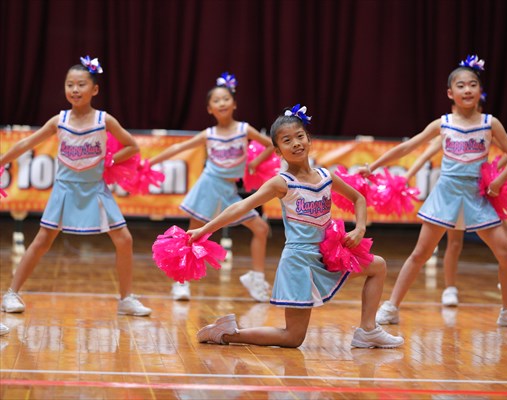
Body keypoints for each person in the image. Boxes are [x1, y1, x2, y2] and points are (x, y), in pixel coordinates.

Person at [190, 105, 404, 348]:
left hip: (328, 255)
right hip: (299, 262)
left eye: (300, 136)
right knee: (293, 338)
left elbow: (359, 199)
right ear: (278, 151)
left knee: (377, 266)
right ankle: (227, 333)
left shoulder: (326, 176)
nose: (295, 143)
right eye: (287, 140)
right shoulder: (281, 183)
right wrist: (204, 230)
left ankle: (368, 330)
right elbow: (240, 207)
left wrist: (360, 229)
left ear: (309, 140)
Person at [358, 55, 507, 328]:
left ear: (479, 90)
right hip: (446, 194)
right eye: (461, 86)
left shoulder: (490, 123)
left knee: (506, 251)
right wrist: (375, 165)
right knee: (420, 254)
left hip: (477, 197)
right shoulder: (443, 124)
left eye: (473, 84)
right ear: (450, 93)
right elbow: (408, 147)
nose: (467, 90)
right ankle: (391, 307)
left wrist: (499, 181)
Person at [0, 56, 152, 316]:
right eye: (70, 84)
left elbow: (132, 146)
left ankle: (126, 298)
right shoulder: (58, 121)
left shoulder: (105, 120)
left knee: (124, 239)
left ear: (94, 89)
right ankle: (11, 294)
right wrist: (1, 161)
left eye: (81, 84)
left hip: (95, 188)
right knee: (43, 241)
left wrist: (111, 160)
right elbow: (25, 144)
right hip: (65, 189)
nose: (74, 89)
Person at [149, 73, 274, 302]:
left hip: (229, 191)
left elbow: (271, 145)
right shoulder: (210, 134)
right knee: (193, 236)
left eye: (225, 99)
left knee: (261, 229)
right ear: (209, 109)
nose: (221, 103)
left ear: (234, 103)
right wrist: (149, 163)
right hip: (208, 186)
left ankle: (256, 278)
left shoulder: (244, 130)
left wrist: (255, 162)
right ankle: (180, 283)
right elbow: (178, 149)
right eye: (216, 101)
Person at [406, 136, 507, 308]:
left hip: (478, 191)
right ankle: (449, 289)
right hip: (454, 192)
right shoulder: (448, 130)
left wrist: (490, 172)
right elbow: (424, 155)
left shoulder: (483, 130)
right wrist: (407, 176)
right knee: (454, 242)